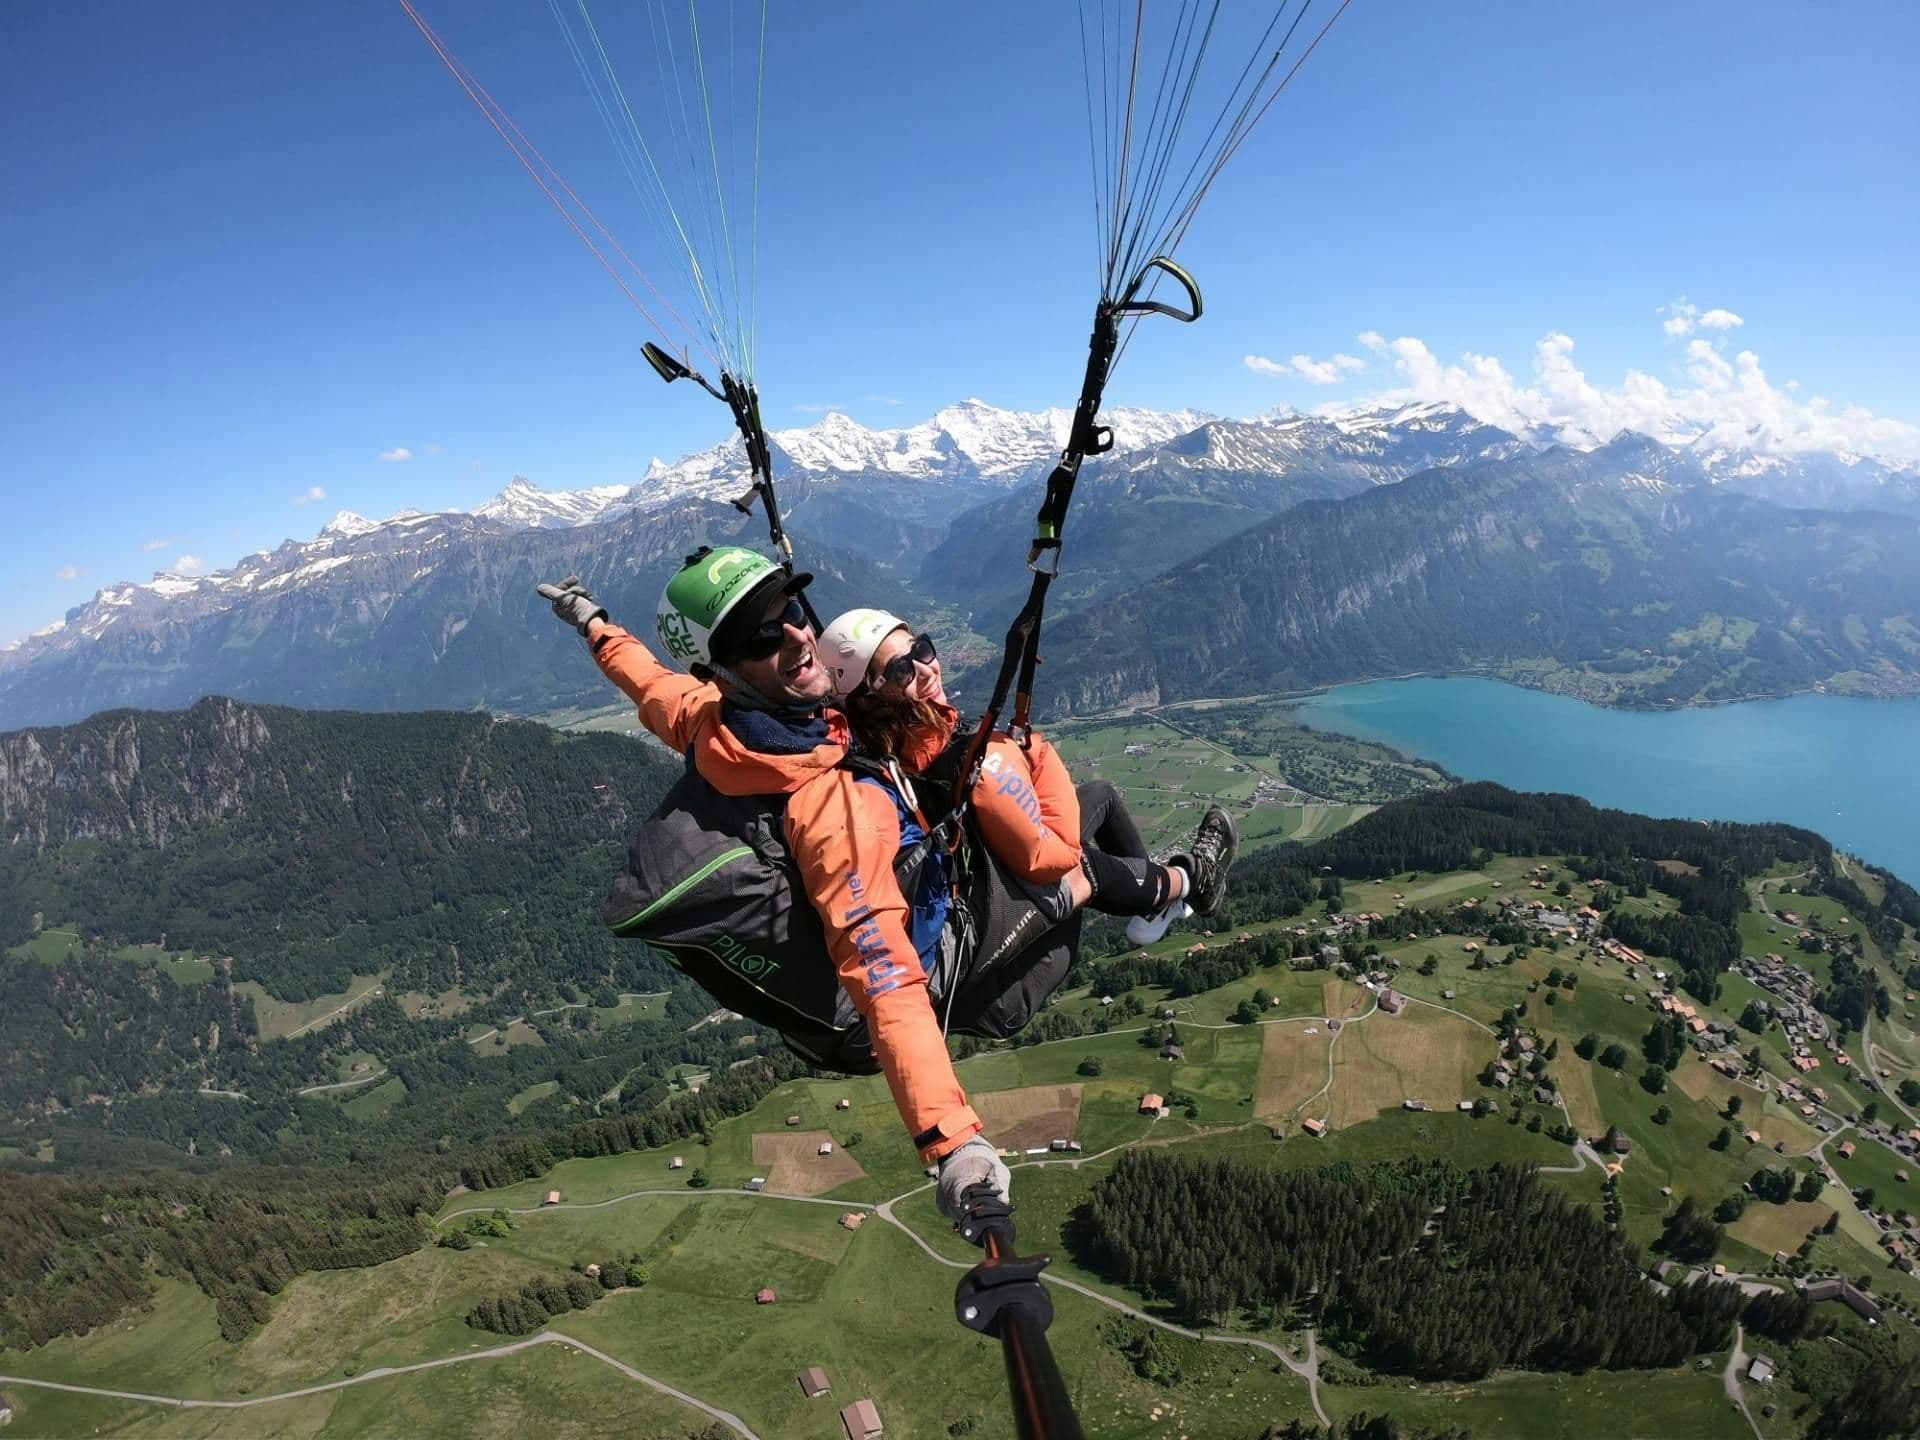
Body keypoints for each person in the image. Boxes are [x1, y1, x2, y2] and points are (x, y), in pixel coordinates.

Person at [536, 553, 1008, 1226]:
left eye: (790, 611)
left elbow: (645, 680)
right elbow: (885, 977)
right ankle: (1159, 892)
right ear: (722, 669)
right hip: (924, 967)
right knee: (1055, 871)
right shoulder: (828, 807)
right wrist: (954, 1144)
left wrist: (590, 620)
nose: (795, 637)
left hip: (848, 987)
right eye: (761, 637)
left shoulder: (708, 718)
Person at [817, 608, 1236, 940]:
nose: (925, 669)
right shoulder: (913, 760)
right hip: (996, 892)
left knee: (1101, 795)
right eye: (900, 670)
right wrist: (1028, 755)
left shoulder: (887, 742)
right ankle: (1191, 879)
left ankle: (1153, 902)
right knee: (1086, 861)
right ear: (869, 698)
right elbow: (1050, 855)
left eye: (922, 649)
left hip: (991, 865)